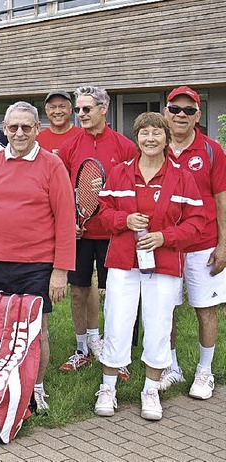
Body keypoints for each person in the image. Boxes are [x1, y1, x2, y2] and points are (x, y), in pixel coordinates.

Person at [0, 101, 76, 412]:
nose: (20, 133)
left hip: (36, 264)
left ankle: (35, 388)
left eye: (27, 127)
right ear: (5, 129)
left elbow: (65, 219)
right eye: (13, 127)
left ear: (37, 129)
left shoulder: (52, 165)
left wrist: (60, 271)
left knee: (34, 332)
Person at [94, 112, 204, 421]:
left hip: (164, 263)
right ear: (137, 138)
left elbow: (197, 223)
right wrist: (124, 220)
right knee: (117, 321)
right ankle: (108, 387)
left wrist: (165, 236)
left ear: (167, 139)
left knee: (158, 325)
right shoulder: (119, 173)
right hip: (123, 262)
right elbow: (104, 212)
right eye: (144, 133)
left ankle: (151, 389)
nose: (150, 138)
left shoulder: (182, 176)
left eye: (157, 133)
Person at [58, 86, 138, 374]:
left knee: (115, 295)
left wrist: (108, 191)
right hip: (79, 235)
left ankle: (117, 353)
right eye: (78, 109)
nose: (81, 114)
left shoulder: (124, 146)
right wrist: (70, 222)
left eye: (87, 109)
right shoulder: (69, 147)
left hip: (112, 235)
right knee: (78, 292)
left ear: (104, 109)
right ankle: (82, 349)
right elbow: (64, 190)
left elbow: (132, 191)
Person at [159, 86, 226, 399]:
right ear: (166, 113)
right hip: (166, 244)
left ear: (198, 115)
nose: (181, 116)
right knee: (166, 310)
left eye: (188, 110)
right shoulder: (154, 147)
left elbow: (221, 199)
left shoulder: (211, 150)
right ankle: (171, 366)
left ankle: (205, 371)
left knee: (205, 309)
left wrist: (224, 245)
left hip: (204, 244)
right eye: (175, 109)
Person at [36, 89, 83, 155]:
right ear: (46, 111)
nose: (57, 111)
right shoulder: (36, 139)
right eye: (53, 107)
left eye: (62, 106)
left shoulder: (82, 136)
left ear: (70, 109)